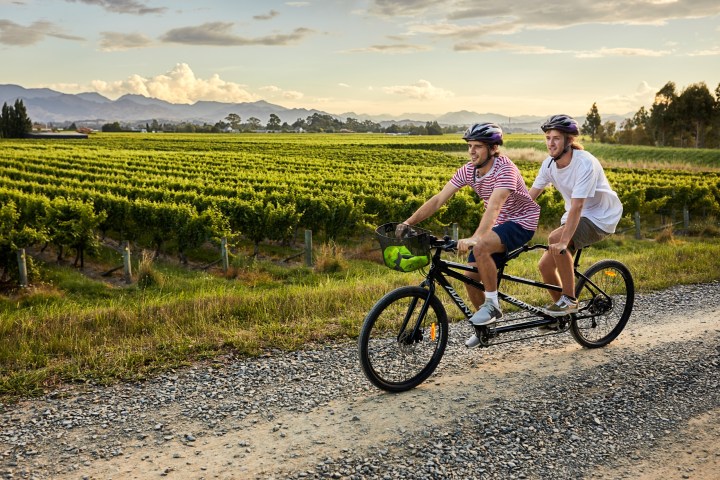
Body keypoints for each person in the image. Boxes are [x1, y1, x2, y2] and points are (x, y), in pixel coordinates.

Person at [397, 122, 540, 348]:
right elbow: (438, 200)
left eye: (478, 146)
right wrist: (408, 222)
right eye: (470, 146)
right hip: (499, 225)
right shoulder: (468, 170)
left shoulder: (506, 170)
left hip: (521, 221)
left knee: (481, 246)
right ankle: (486, 329)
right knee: (470, 276)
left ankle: (492, 305)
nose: (472, 151)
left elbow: (495, 207)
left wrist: (476, 238)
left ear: (493, 148)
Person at [528, 114, 623, 316]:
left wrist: (563, 241)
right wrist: (503, 213)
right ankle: (560, 317)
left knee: (556, 239)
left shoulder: (585, 163)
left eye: (556, 138)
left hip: (600, 217)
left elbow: (578, 206)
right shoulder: (548, 164)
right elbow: (530, 198)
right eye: (547, 138)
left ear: (569, 141)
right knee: (545, 266)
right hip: (577, 216)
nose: (550, 143)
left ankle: (570, 300)